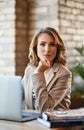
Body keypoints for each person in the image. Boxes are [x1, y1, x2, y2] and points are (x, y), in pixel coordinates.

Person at [22, 27, 72, 112]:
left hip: (55, 123)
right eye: (42, 44)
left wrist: (39, 73)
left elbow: (46, 109)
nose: (47, 49)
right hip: (32, 121)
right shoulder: (29, 69)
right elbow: (21, 99)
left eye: (52, 44)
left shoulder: (64, 74)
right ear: (35, 47)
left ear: (57, 48)